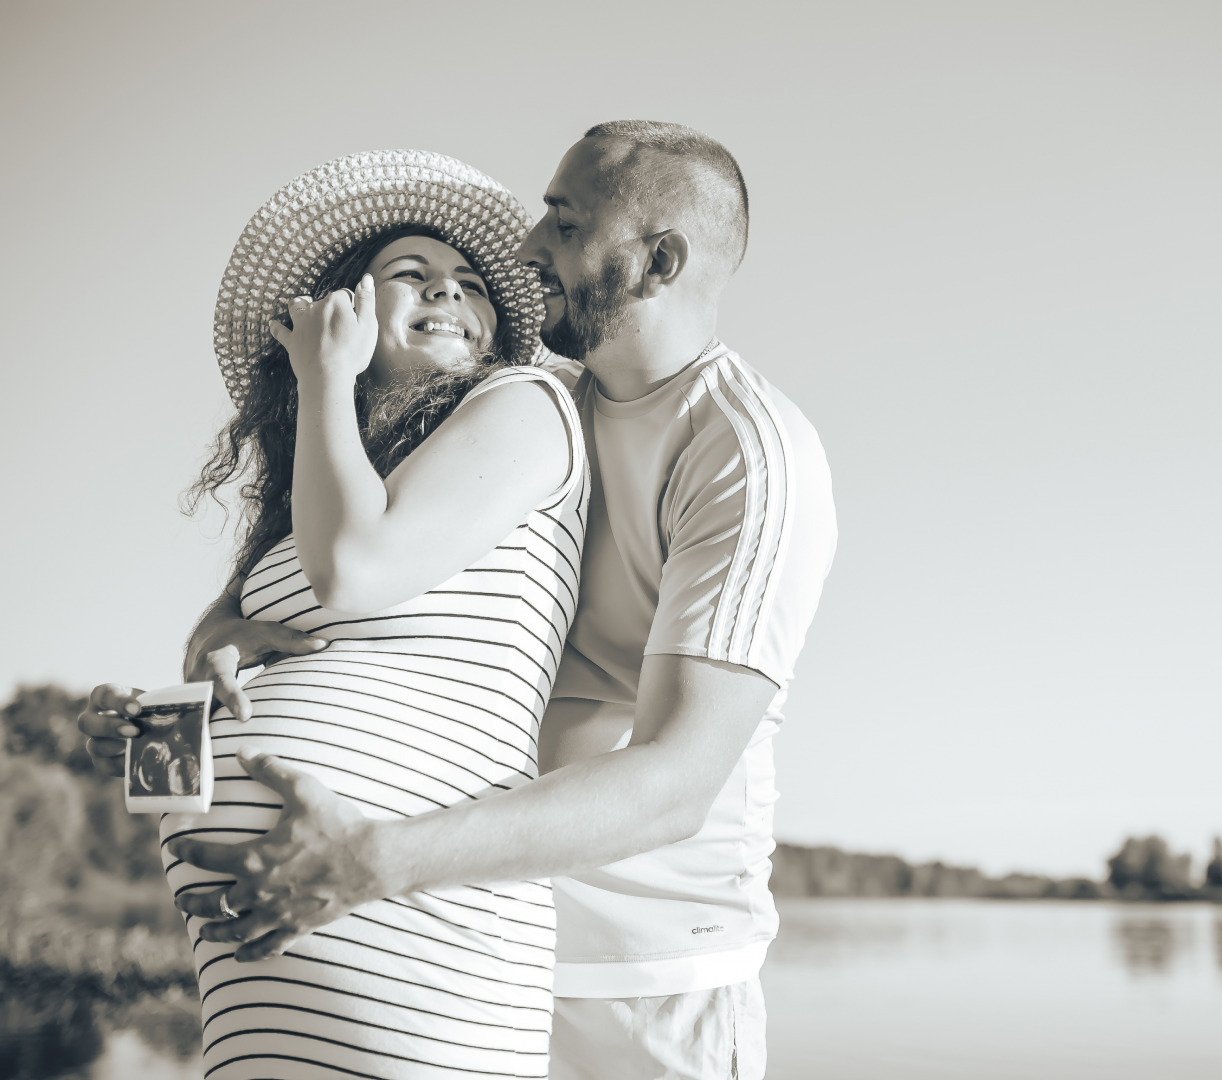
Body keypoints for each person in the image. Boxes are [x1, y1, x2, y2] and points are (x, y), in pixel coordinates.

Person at [86, 122, 837, 1080]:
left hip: (636, 979)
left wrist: (378, 860)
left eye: (562, 225)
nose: (525, 249)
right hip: (408, 924)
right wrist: (199, 674)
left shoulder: (743, 452)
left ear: (660, 259)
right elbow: (357, 629)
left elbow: (677, 784)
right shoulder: (513, 405)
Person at [80, 149, 587, 1078]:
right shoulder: (316, 498)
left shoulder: (525, 403)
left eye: (471, 284)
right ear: (344, 301)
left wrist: (324, 380)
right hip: (257, 961)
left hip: (421, 939)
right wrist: (158, 733)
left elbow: (355, 571)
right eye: (413, 274)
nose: (450, 291)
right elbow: (299, 665)